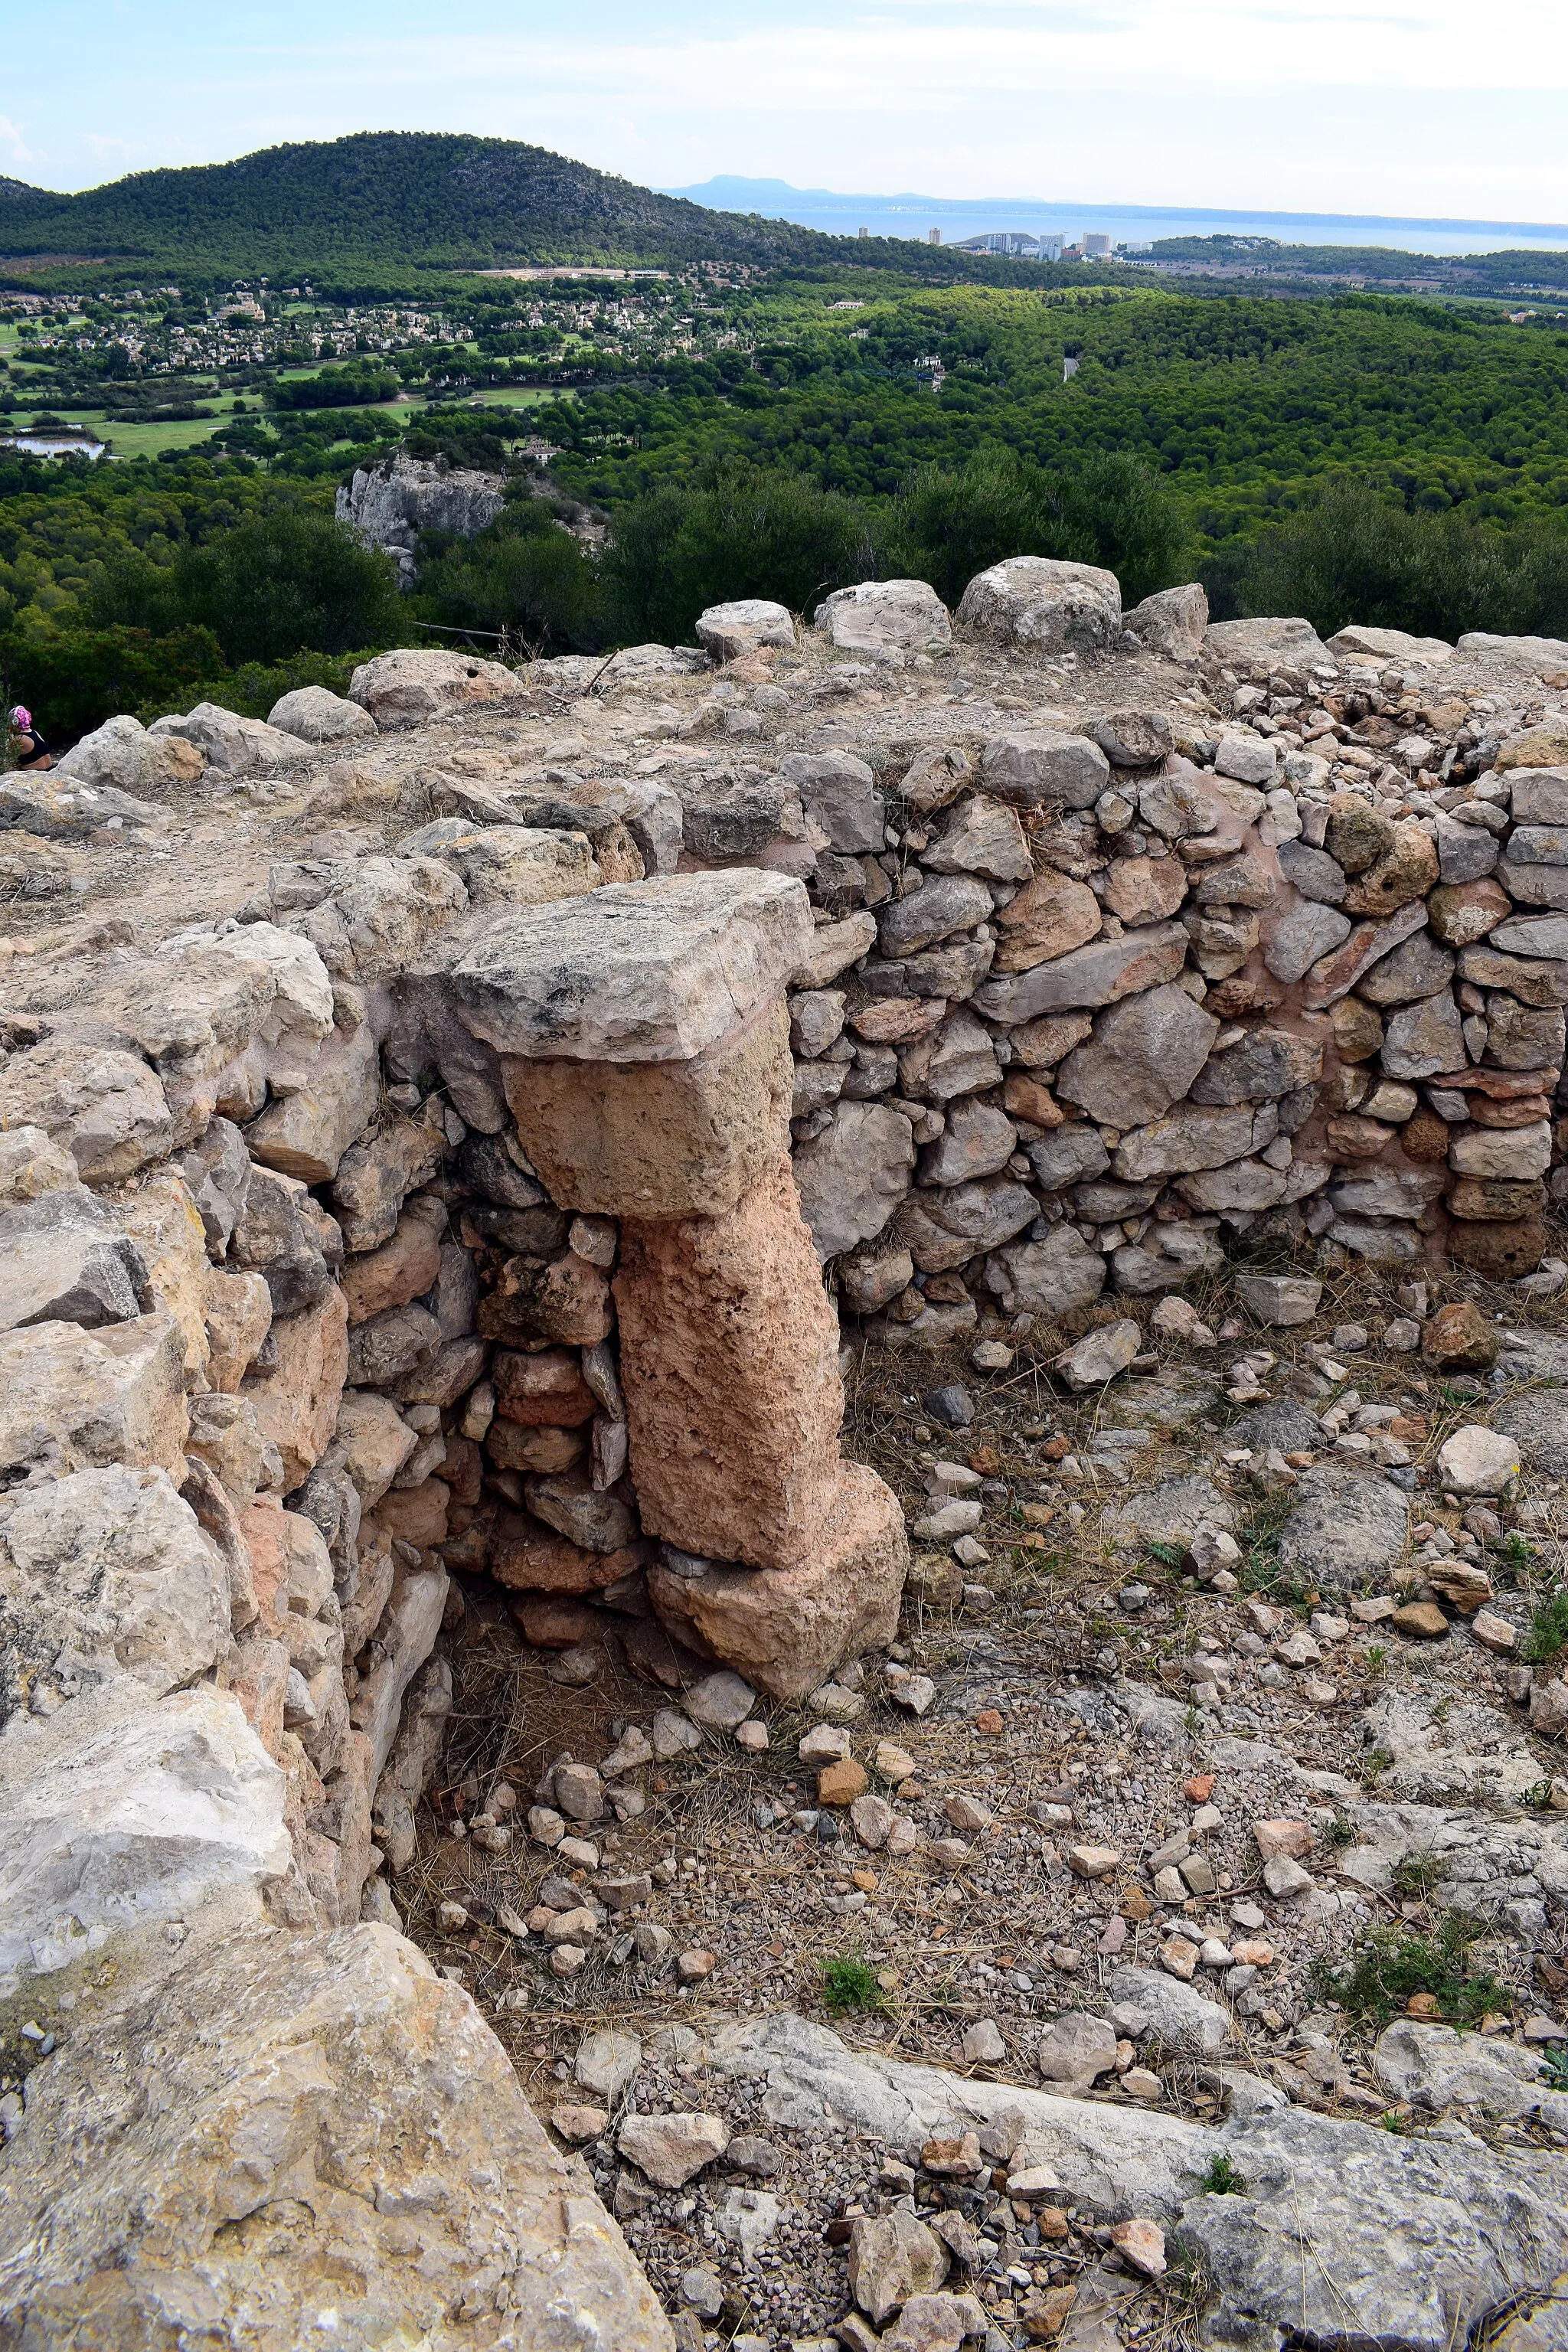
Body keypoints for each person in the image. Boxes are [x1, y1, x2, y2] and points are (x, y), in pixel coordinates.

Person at [6, 705, 51, 769]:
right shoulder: (35, 733)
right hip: (48, 770)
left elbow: (8, 756)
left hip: (34, 774)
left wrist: (9, 733)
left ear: (15, 722)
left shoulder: (20, 739)